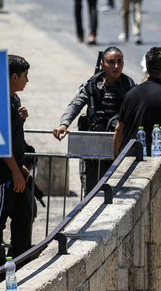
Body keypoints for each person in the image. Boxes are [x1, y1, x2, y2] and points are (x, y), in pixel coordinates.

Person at [53, 47, 135, 194]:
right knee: (92, 192)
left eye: (119, 62)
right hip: (94, 148)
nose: (116, 66)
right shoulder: (92, 85)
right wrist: (64, 124)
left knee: (121, 193)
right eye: (111, 62)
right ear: (102, 65)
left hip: (120, 148)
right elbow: (75, 104)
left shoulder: (129, 86)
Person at [0, 55, 32, 285]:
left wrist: (19, 168)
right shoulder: (0, 101)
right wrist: (14, 171)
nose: (27, 80)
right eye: (24, 76)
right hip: (1, 176)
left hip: (13, 172)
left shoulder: (13, 100)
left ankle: (20, 269)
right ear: (14, 76)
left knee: (22, 219)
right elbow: (0, 143)